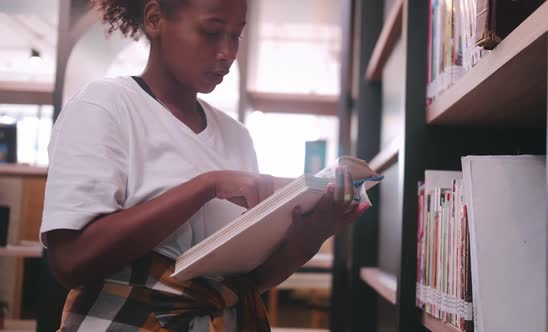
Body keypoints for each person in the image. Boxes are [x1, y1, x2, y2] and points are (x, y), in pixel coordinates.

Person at [40, 0, 370, 331]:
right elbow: (71, 261)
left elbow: (249, 283)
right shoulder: (105, 105)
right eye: (211, 32)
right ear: (155, 20)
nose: (227, 52)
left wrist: (319, 227)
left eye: (236, 36)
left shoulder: (237, 137)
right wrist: (207, 185)